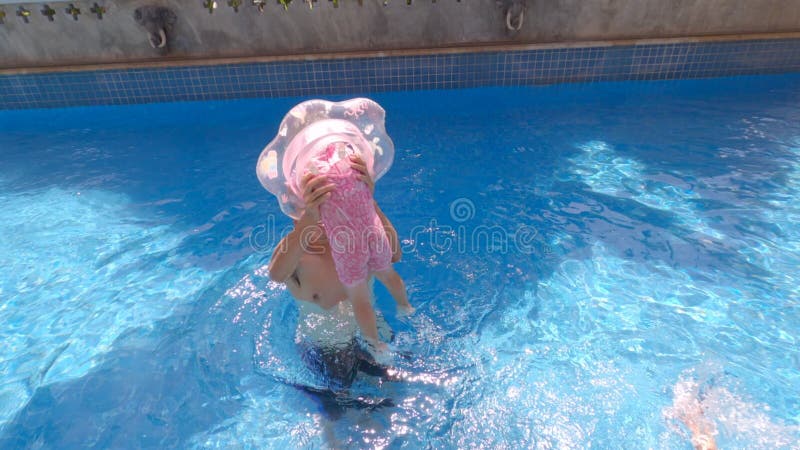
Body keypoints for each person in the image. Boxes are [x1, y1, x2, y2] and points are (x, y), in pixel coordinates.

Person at [267, 151, 408, 389]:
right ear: (295, 215)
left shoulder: (358, 241)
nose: (327, 223)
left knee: (394, 384)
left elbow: (394, 254)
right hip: (325, 345)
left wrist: (369, 204)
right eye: (317, 213)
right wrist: (305, 228)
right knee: (338, 405)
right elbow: (276, 274)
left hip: (372, 332)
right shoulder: (298, 253)